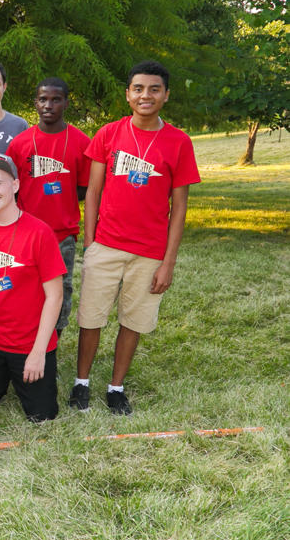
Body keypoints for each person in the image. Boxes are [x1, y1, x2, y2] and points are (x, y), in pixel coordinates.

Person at [71, 60, 200, 415]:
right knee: (91, 318)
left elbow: (179, 208)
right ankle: (81, 382)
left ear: (166, 95)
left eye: (154, 89)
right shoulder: (108, 134)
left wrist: (167, 263)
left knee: (134, 320)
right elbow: (93, 191)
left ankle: (116, 387)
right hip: (106, 246)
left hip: (149, 253)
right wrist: (90, 242)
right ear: (128, 94)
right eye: (139, 89)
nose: (146, 95)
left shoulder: (178, 142)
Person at [0, 154, 65, 422]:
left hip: (28, 344)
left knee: (42, 416)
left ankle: (28, 371)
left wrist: (39, 352)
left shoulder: (39, 233)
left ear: (15, 185)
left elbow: (55, 296)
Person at [7, 78, 91, 338]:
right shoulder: (20, 144)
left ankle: (53, 341)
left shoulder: (80, 142)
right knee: (24, 288)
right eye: (43, 99)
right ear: (36, 103)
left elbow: (84, 188)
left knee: (60, 289)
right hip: (25, 232)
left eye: (56, 100)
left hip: (62, 234)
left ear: (66, 102)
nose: (49, 105)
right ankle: (24, 338)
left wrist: (60, 198)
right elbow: (12, 189)